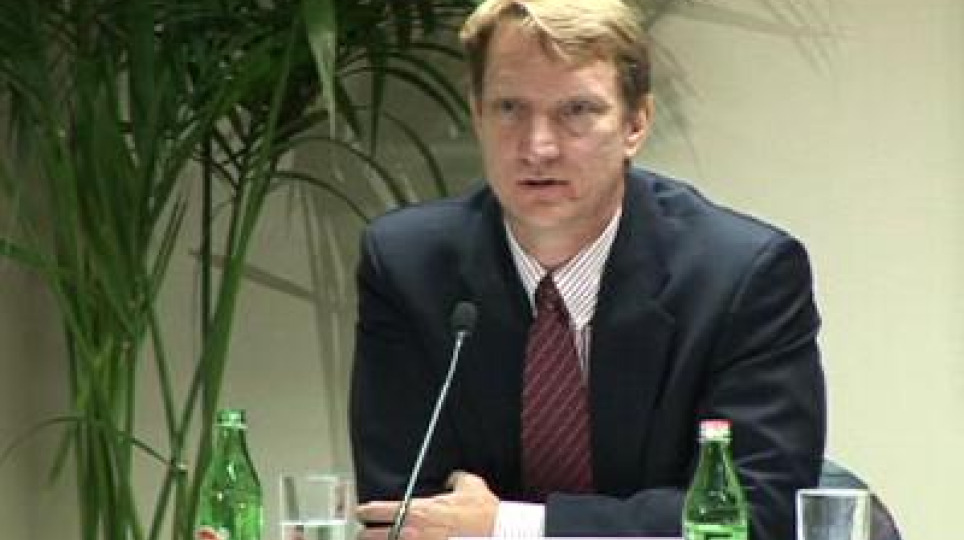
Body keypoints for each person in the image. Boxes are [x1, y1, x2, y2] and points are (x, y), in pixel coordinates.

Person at [349, 0, 826, 539]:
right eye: (510, 108)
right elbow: (402, 514)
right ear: (477, 114)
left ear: (635, 124)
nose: (538, 147)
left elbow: (757, 515)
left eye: (576, 110)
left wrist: (510, 526)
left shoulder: (743, 277)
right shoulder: (408, 268)